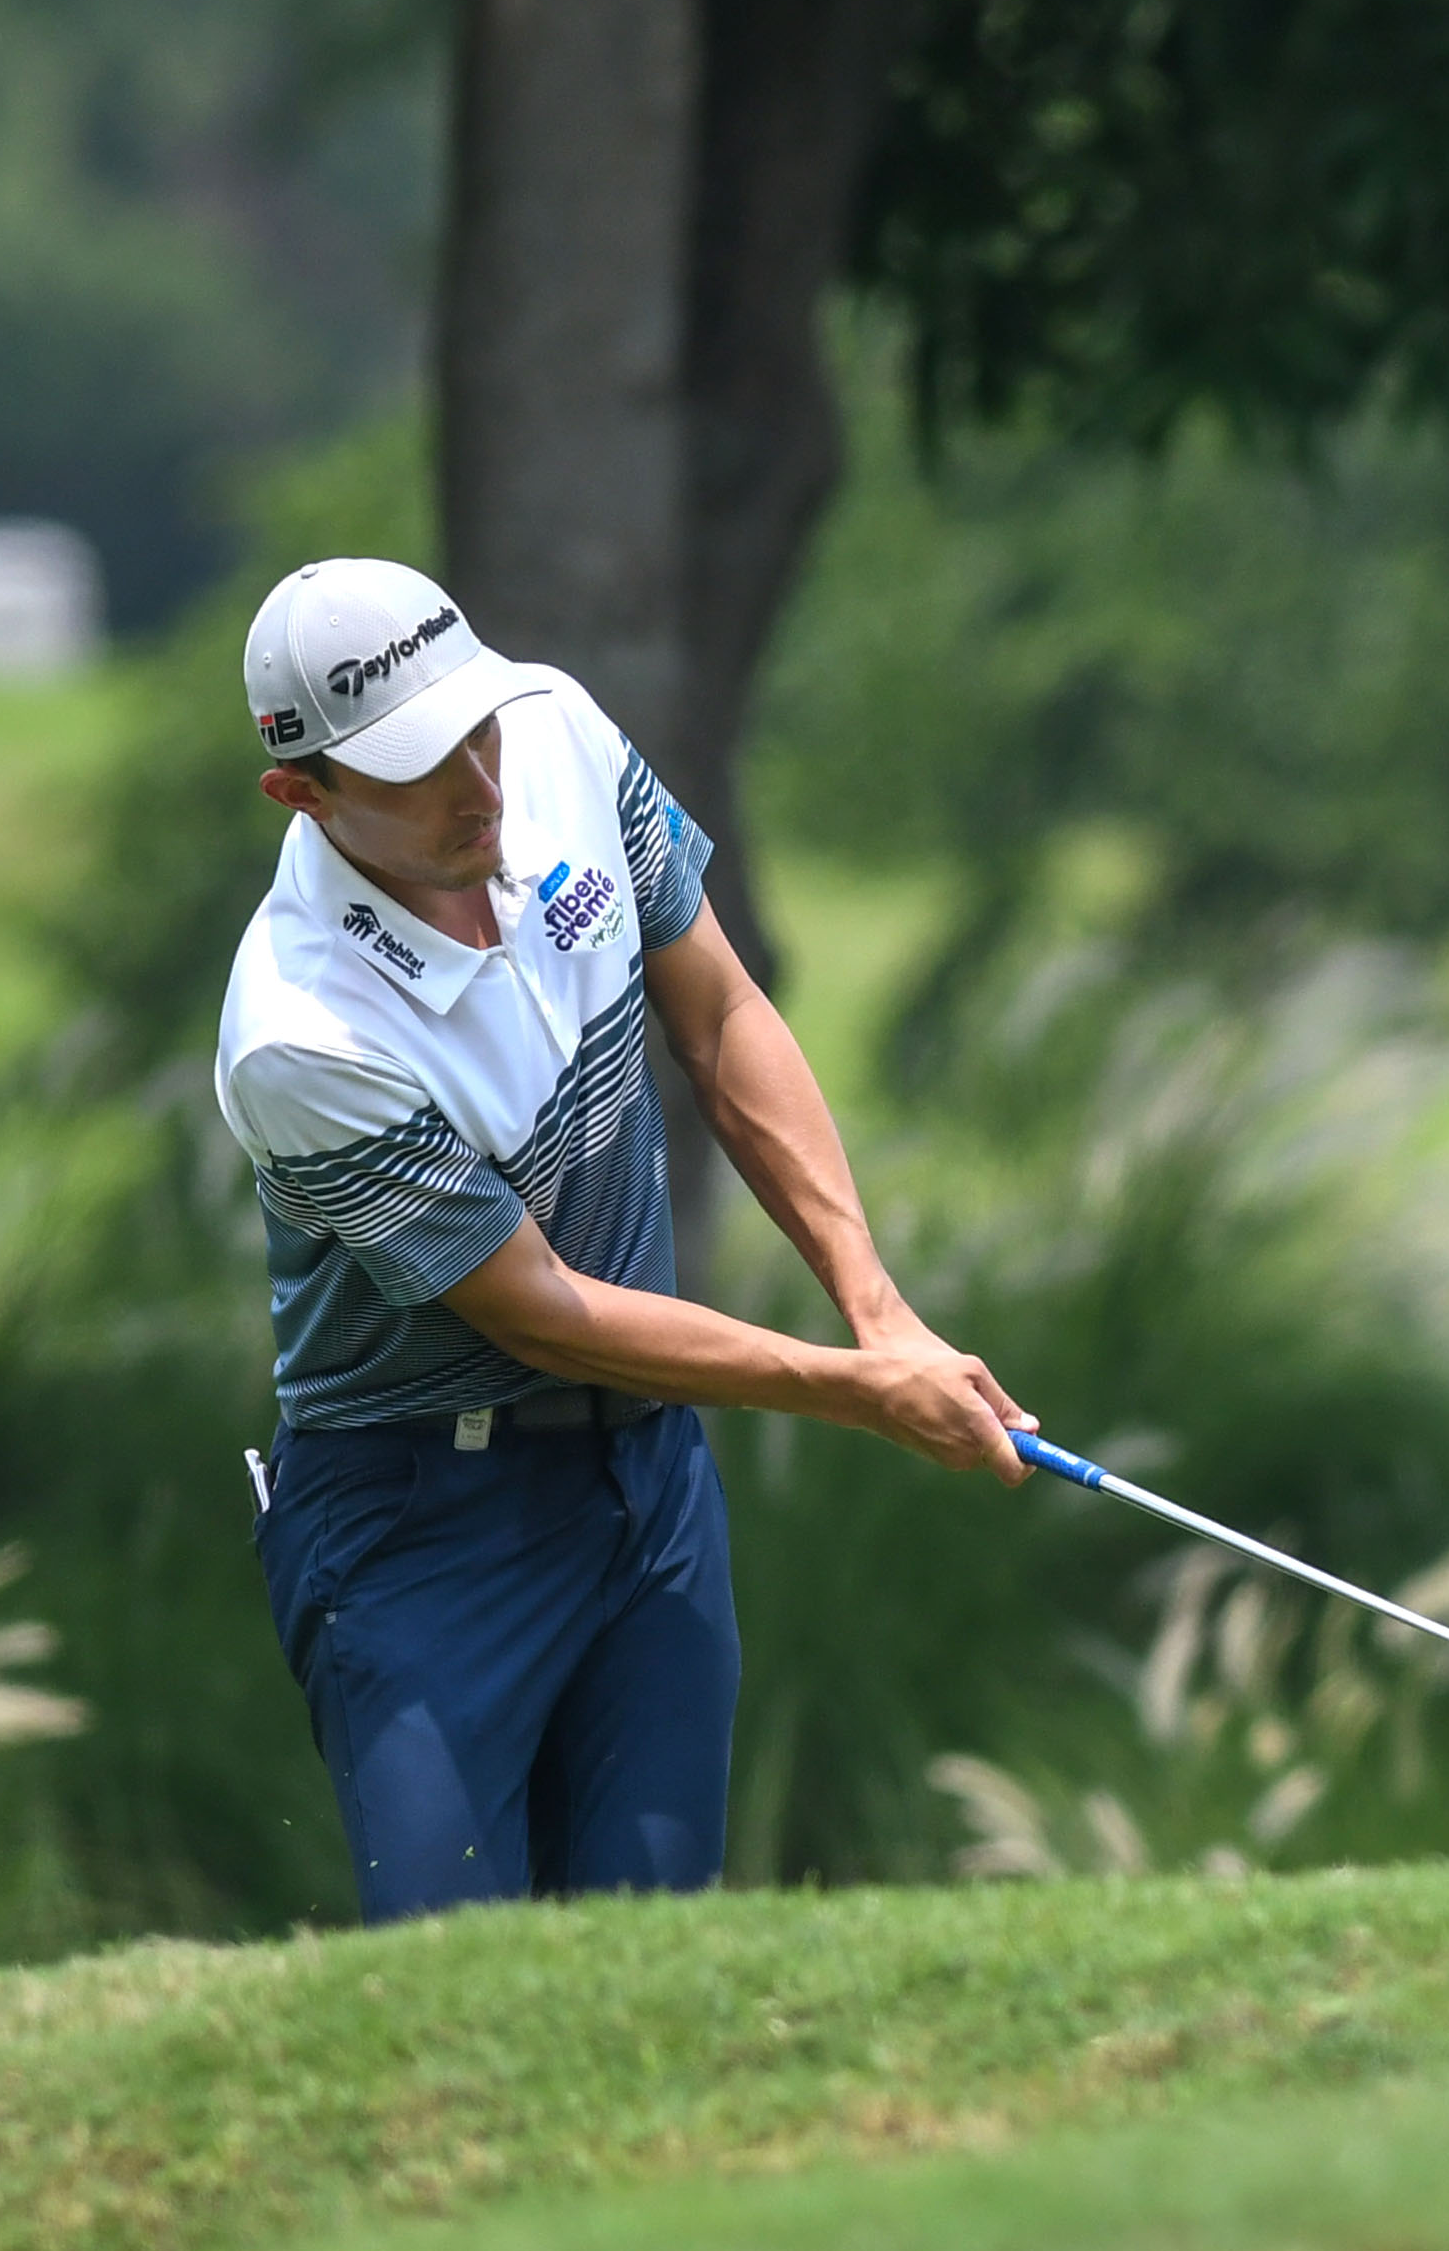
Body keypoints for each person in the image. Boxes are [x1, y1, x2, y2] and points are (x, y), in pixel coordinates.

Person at [215, 556, 1030, 1923]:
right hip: (421, 1525)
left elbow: (720, 1019)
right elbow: (539, 1310)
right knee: (456, 1983)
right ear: (304, 794)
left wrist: (878, 1312)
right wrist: (852, 1390)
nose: (481, 783)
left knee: (655, 1959)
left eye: (473, 727)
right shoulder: (304, 1034)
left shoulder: (557, 736)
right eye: (422, 769)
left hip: (646, 1478)